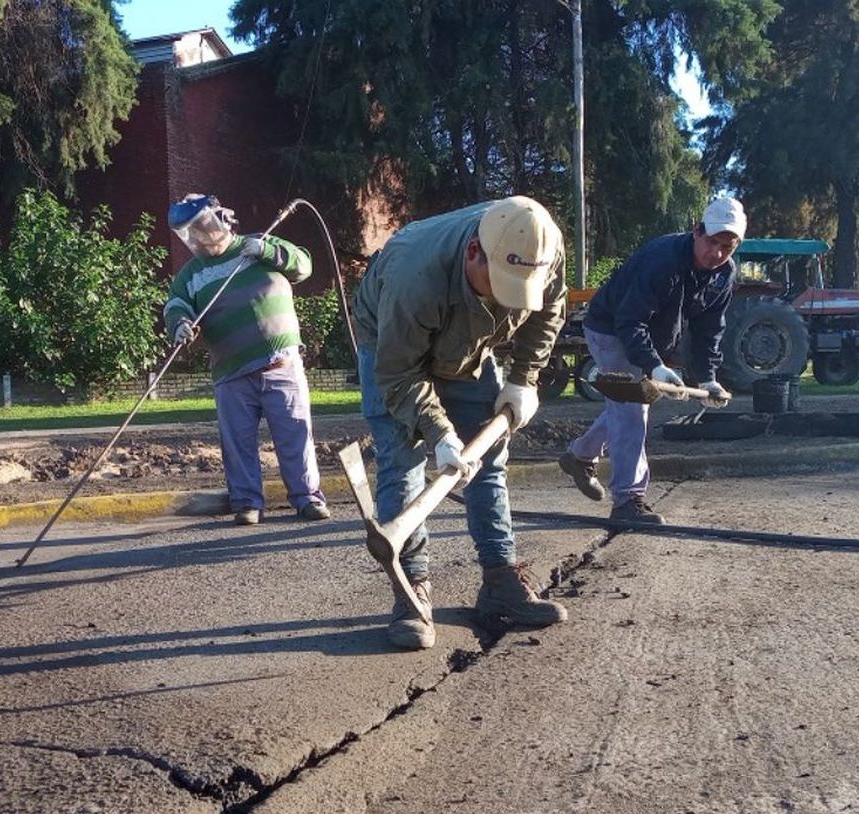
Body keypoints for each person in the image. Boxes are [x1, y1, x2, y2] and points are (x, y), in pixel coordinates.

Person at [353, 195, 569, 651]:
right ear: (475, 252)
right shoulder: (414, 276)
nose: (504, 295)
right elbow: (397, 374)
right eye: (499, 282)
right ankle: (411, 590)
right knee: (403, 465)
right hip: (394, 352)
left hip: (472, 348)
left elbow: (548, 311)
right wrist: (439, 433)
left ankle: (499, 581)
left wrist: (523, 379)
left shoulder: (541, 244)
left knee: (487, 460)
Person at [557, 197, 746, 524]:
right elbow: (630, 321)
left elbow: (710, 327)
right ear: (696, 231)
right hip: (610, 328)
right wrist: (655, 366)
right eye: (712, 242)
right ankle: (628, 501)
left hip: (647, 336)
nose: (716, 254)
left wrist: (707, 377)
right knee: (631, 408)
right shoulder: (662, 260)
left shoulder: (723, 276)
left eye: (726, 247)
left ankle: (579, 456)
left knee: (626, 405)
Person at [164, 193, 330, 526]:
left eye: (202, 225)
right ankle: (247, 503)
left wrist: (267, 251)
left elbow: (304, 265)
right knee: (237, 443)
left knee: (295, 434)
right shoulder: (190, 275)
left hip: (281, 364)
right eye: (189, 232)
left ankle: (307, 499)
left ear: (220, 219)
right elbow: (175, 305)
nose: (198, 236)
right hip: (231, 373)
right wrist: (180, 324)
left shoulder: (259, 245)